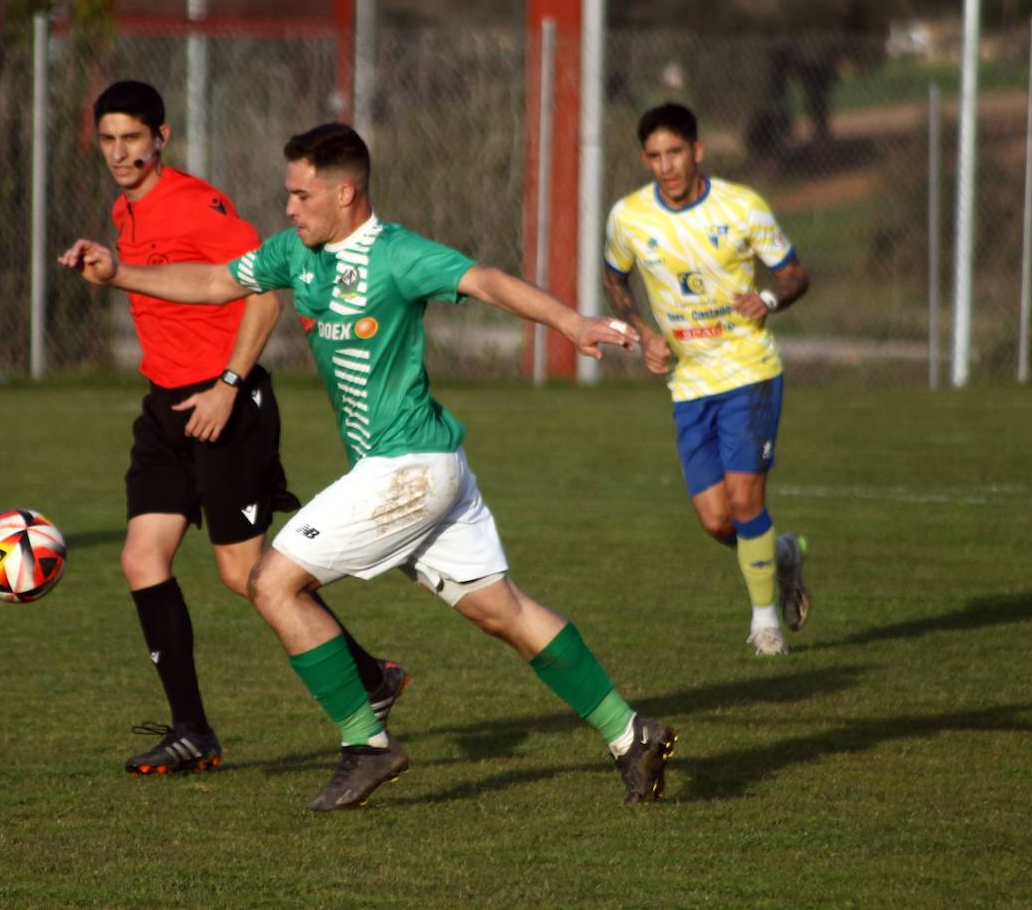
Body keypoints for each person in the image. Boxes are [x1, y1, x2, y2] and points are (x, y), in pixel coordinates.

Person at [60, 121, 677, 810]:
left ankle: (367, 744)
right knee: (503, 611)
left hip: (407, 469)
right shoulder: (297, 254)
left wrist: (570, 322)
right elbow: (212, 282)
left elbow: (486, 281)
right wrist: (120, 276)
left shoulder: (397, 254)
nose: (288, 208)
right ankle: (631, 733)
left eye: (300, 195)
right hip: (423, 468)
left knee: (273, 583)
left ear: (344, 193)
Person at [90, 82, 406, 776]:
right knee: (142, 559)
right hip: (165, 409)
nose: (120, 153)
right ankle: (191, 730)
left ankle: (369, 676)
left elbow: (264, 282)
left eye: (132, 139)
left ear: (160, 139)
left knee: (247, 575)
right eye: (109, 139)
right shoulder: (123, 208)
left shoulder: (198, 204)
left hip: (226, 407)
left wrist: (228, 385)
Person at [602, 102, 813, 656]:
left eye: (675, 153)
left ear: (697, 151)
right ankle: (783, 556)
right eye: (654, 156)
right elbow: (615, 277)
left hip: (750, 370)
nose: (666, 166)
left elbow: (793, 274)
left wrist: (767, 297)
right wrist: (640, 331)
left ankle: (764, 622)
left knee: (746, 502)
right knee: (717, 520)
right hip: (690, 383)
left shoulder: (742, 206)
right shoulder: (628, 217)